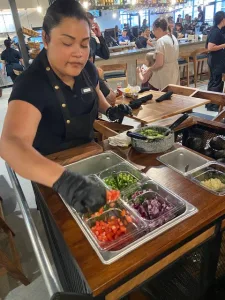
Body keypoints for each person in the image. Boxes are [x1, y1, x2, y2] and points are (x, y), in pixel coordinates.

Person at [0, 0, 132, 214]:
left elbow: (95, 93)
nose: (78, 53)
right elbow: (10, 143)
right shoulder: (31, 82)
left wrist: (109, 110)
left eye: (83, 43)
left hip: (90, 161)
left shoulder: (87, 68)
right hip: (50, 178)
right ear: (45, 38)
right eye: (67, 43)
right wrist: (65, 181)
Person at [142, 18, 180, 90]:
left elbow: (159, 63)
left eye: (153, 30)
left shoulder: (161, 41)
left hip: (165, 73)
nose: (153, 33)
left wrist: (149, 69)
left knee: (163, 96)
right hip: (174, 70)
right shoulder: (173, 37)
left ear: (159, 29)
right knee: (173, 95)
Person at [206, 11, 225, 111]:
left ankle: (210, 103)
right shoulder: (215, 31)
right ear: (222, 20)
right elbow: (210, 47)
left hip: (217, 59)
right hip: (215, 60)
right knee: (215, 81)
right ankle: (213, 104)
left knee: (214, 80)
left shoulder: (219, 30)